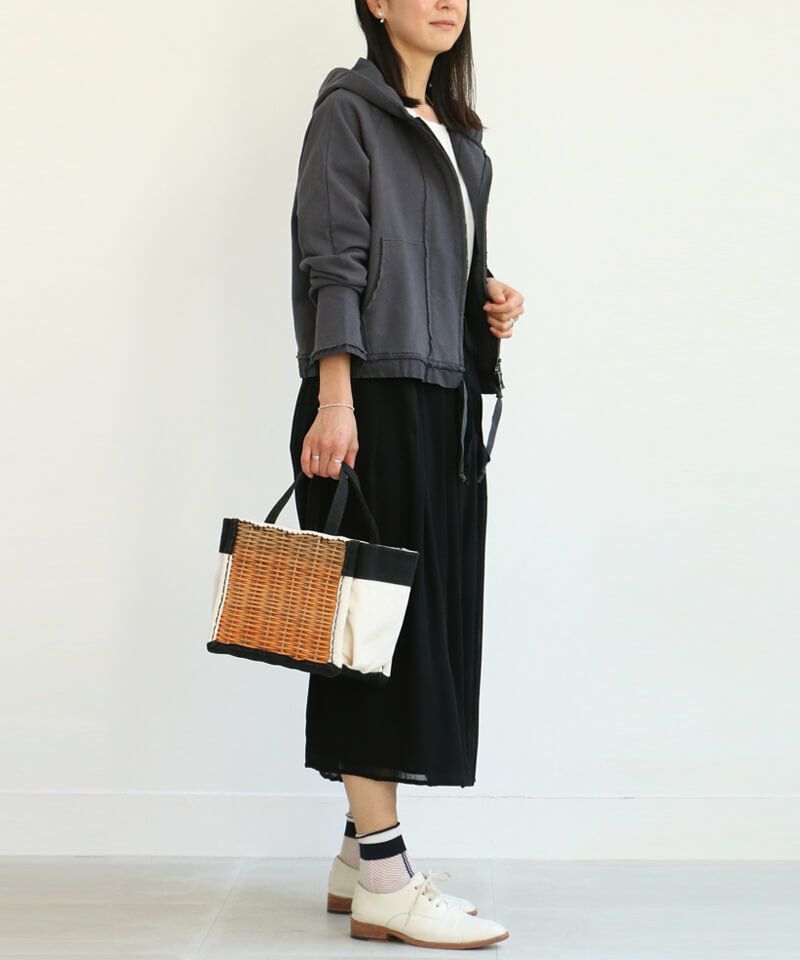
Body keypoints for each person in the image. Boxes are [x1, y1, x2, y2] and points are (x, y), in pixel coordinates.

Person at [288, 1, 523, 948]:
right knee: (367, 638)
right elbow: (332, 261)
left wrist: (489, 301)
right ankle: (387, 881)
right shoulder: (348, 110)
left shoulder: (460, 140)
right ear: (376, 2)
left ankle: (358, 856)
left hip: (441, 404)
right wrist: (334, 399)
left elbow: (441, 268)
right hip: (369, 403)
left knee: (414, 632)